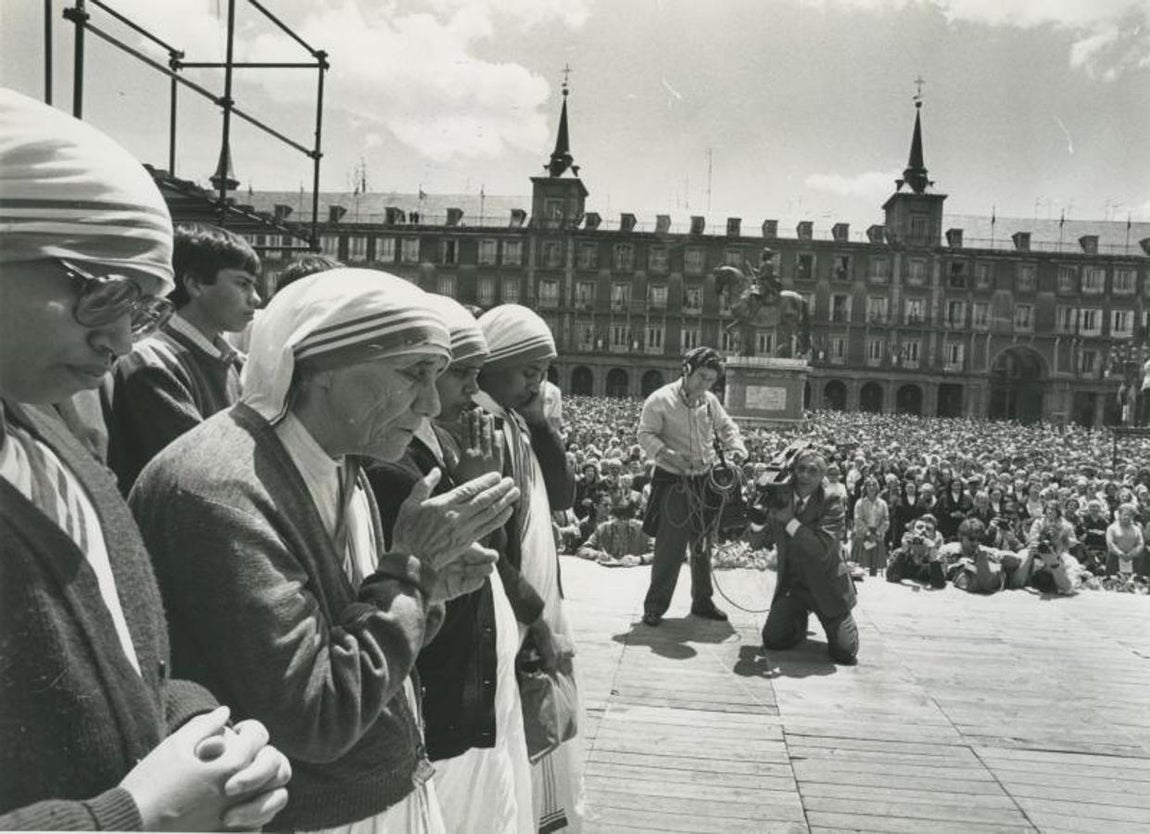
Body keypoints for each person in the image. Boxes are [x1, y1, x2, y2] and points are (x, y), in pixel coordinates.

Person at [130, 268, 520, 831]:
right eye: (414, 373)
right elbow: (317, 717)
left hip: (373, 796)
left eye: (438, 375)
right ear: (319, 370)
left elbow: (356, 640)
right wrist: (411, 570)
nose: (433, 403)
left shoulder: (342, 462)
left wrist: (425, 586)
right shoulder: (223, 490)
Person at [0, 88, 289, 830]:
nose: (123, 343)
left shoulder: (44, 431)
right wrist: (132, 817)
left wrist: (195, 729)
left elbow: (117, 651)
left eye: (144, 310)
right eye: (104, 296)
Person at [367, 295, 534, 834]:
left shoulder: (444, 442)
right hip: (442, 693)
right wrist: (471, 486)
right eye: (461, 372)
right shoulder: (391, 463)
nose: (472, 388)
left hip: (480, 679)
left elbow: (492, 557)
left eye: (477, 373)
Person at [473, 304, 584, 834]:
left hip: (540, 596)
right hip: (514, 605)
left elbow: (562, 494)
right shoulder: (477, 426)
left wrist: (543, 426)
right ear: (489, 363)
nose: (537, 383)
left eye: (544, 372)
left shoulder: (519, 421)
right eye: (527, 371)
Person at [107, 222, 261, 493]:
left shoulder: (235, 363)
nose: (256, 298)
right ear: (195, 284)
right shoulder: (152, 362)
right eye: (242, 284)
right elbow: (205, 471)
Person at [637, 347, 747, 626]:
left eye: (711, 380)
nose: (705, 385)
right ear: (686, 370)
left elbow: (727, 427)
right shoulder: (660, 400)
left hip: (706, 482)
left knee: (702, 545)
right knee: (670, 548)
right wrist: (669, 454)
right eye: (701, 377)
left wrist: (735, 450)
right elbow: (644, 434)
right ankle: (655, 605)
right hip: (673, 482)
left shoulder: (710, 401)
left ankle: (702, 601)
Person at [761, 449, 859, 665]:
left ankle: (840, 621)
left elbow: (822, 549)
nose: (805, 475)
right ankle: (798, 621)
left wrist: (789, 521)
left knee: (844, 653)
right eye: (801, 469)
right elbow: (760, 539)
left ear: (822, 476)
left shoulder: (832, 500)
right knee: (773, 640)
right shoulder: (780, 495)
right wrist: (755, 515)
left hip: (827, 586)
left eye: (813, 471)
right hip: (794, 586)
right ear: (793, 471)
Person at [575, 498, 653, 566]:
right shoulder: (603, 528)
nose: (621, 521)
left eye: (625, 518)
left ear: (631, 517)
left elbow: (658, 553)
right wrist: (598, 555)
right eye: (618, 517)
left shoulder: (642, 529)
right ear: (612, 516)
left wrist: (639, 559)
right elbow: (582, 549)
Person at [850, 476, 889, 576]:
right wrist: (868, 533)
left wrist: (877, 533)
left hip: (877, 535)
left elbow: (886, 520)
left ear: (877, 487)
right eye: (869, 485)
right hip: (863, 535)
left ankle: (874, 582)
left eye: (874, 485)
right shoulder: (860, 502)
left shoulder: (882, 503)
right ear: (865, 488)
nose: (871, 487)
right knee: (859, 565)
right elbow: (857, 519)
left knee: (874, 564)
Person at [1106, 502, 1144, 575]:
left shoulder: (1137, 529)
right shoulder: (1112, 528)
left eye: (1130, 515)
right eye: (1125, 514)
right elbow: (1110, 543)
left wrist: (1132, 554)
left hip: (1132, 558)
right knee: (1113, 583)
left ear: (1133, 516)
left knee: (1132, 582)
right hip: (1115, 558)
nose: (1126, 517)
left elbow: (1140, 544)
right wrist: (1120, 553)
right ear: (1119, 515)